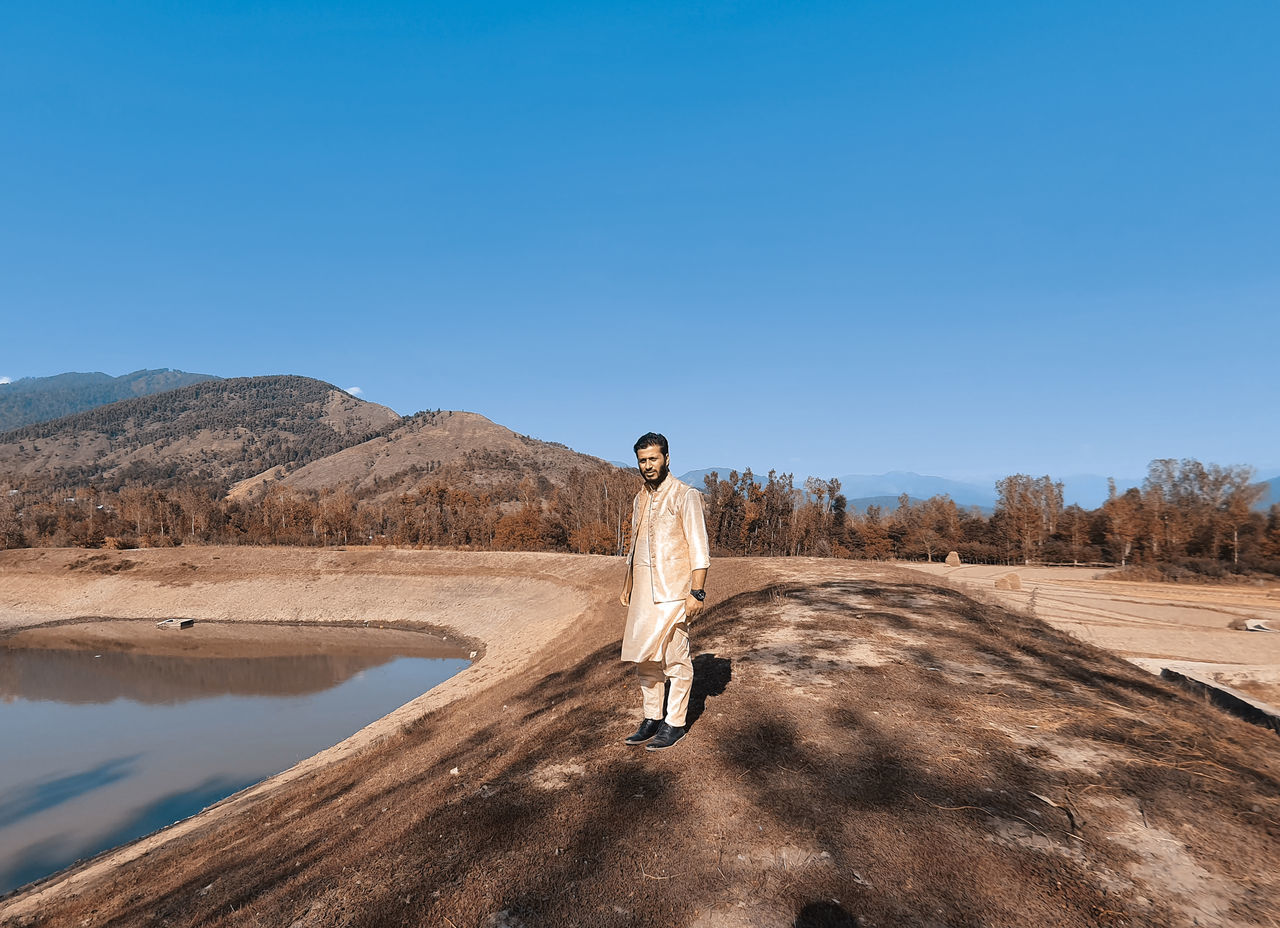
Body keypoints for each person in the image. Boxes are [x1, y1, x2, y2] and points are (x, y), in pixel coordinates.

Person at [619, 432, 710, 751]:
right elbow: (635, 545)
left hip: (674, 593)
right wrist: (628, 585)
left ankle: (675, 723)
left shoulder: (686, 495)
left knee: (675, 660)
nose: (648, 465)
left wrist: (696, 592)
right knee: (645, 659)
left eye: (653, 458)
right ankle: (651, 717)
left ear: (667, 459)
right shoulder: (639, 498)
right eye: (642, 460)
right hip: (644, 596)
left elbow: (700, 549)